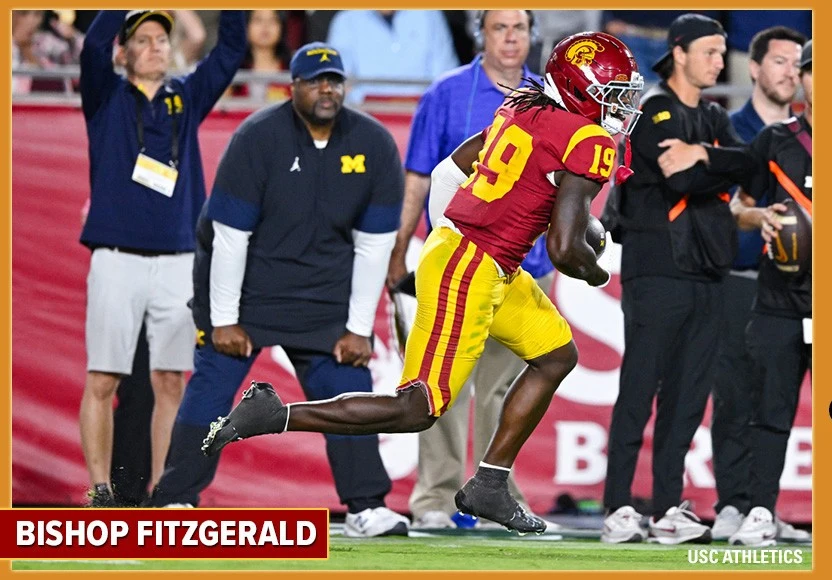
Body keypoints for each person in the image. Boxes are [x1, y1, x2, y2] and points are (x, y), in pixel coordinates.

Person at [201, 31, 645, 536]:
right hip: (474, 264)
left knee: (556, 355)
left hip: (482, 260)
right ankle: (274, 413)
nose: (621, 107)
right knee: (417, 408)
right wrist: (595, 269)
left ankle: (490, 484)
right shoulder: (587, 140)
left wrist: (450, 234)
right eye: (614, 94)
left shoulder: (523, 108)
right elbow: (565, 250)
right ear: (579, 88)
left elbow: (447, 173)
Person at [149, 42, 409, 538]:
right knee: (210, 390)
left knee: (348, 392)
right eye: (315, 81)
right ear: (293, 88)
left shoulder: (374, 144)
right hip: (249, 293)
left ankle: (366, 507)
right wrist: (224, 319)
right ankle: (175, 499)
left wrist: (358, 328)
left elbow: (374, 246)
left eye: (334, 80)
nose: (326, 89)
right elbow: (229, 237)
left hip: (323, 298)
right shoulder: (257, 137)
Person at [391, 9, 555, 530]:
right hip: (457, 265)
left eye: (519, 28)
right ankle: (435, 497)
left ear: (532, 36)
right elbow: (420, 176)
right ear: (480, 34)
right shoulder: (446, 93)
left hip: (525, 267)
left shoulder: (552, 96)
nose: (510, 38)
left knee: (504, 389)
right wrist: (401, 249)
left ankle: (495, 496)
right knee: (438, 386)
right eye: (499, 28)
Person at [78, 9, 245, 507]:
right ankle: (100, 490)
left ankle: (166, 493)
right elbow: (92, 47)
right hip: (116, 257)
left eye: (162, 39)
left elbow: (229, 51)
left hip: (177, 258)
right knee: (103, 377)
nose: (155, 46)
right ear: (123, 52)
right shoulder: (105, 95)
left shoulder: (185, 97)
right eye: (143, 39)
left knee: (171, 379)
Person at [599, 13, 752, 544]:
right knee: (640, 388)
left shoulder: (714, 117)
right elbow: (681, 177)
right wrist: (718, 168)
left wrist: (706, 153)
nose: (719, 62)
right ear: (679, 53)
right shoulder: (652, 111)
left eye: (722, 52)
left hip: (708, 271)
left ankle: (667, 506)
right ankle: (618, 505)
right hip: (657, 268)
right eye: (709, 51)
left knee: (688, 398)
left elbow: (752, 166)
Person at [710, 24, 808, 543]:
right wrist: (759, 219)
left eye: (799, 63)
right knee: (750, 403)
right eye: (784, 62)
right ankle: (745, 506)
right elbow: (730, 206)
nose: (793, 73)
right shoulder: (757, 135)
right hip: (761, 288)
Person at [326, 10, 458, 104]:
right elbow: (341, 85)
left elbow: (447, 83)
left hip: (423, 119)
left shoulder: (430, 16)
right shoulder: (345, 21)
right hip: (365, 121)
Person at [229, 10, 292, 102]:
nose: (265, 26)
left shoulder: (292, 69)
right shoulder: (232, 68)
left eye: (272, 20)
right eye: (258, 20)